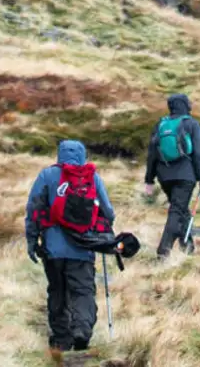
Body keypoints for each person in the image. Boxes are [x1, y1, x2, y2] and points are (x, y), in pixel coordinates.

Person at [25, 140, 116, 359]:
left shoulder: (46, 176)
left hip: (52, 249)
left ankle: (61, 339)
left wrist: (32, 240)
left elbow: (33, 209)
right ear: (83, 155)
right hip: (82, 248)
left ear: (59, 154)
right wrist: (102, 233)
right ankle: (81, 331)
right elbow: (108, 212)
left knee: (57, 291)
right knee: (82, 291)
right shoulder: (91, 177)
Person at [144, 92, 200, 258]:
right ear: (186, 105)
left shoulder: (161, 125)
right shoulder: (191, 124)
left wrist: (149, 180)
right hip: (186, 176)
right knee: (177, 211)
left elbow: (152, 154)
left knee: (180, 209)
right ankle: (163, 251)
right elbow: (199, 154)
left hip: (164, 176)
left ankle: (188, 248)